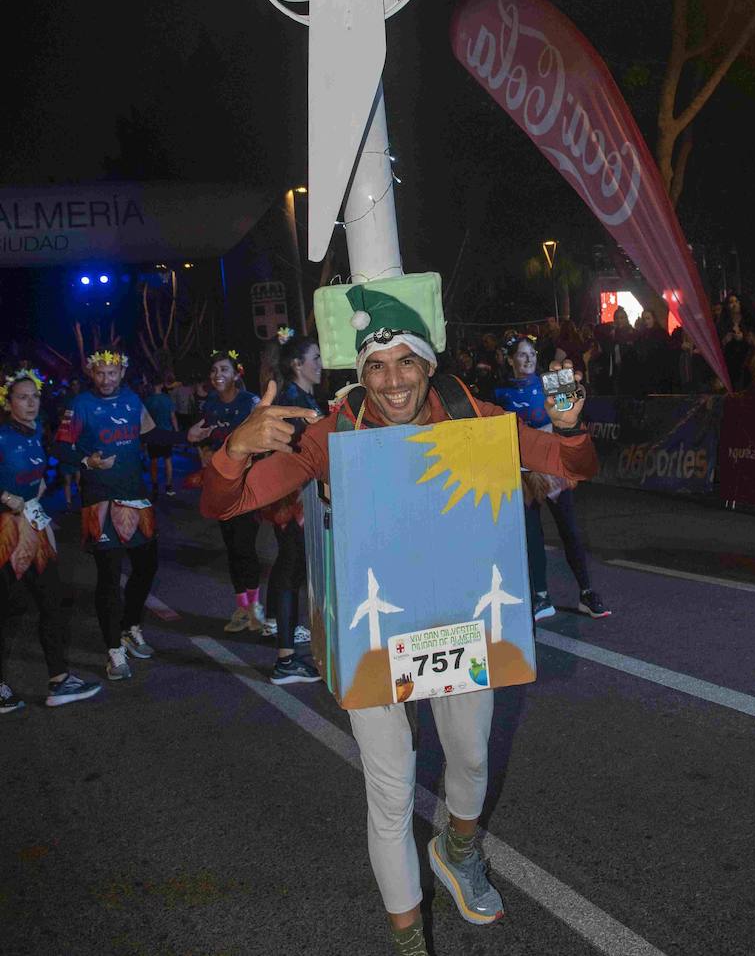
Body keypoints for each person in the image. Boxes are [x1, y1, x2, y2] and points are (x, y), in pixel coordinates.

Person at [201, 294, 597, 955]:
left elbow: (570, 465)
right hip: (373, 634)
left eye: (405, 362)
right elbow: (225, 503)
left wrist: (567, 428)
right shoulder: (333, 433)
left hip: (457, 619)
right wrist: (235, 449)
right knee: (389, 793)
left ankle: (458, 848)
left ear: (428, 365)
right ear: (360, 375)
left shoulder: (471, 414)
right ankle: (409, 941)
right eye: (376, 366)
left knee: (471, 756)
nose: (392, 381)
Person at [53, 350, 205, 681]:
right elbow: (61, 447)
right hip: (99, 501)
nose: (106, 379)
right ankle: (114, 651)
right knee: (108, 577)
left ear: (122, 372)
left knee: (147, 566)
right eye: (100, 373)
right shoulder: (80, 405)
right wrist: (88, 461)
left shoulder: (132, 400)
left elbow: (150, 435)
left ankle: (130, 627)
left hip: (135, 497)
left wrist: (186, 436)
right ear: (91, 373)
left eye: (112, 373)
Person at [0, 369, 101, 712]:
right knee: (6, 608)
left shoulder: (35, 432)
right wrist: (4, 496)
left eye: (35, 396)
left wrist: (38, 490)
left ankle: (59, 680)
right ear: (8, 403)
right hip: (4, 532)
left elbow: (37, 475)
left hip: (32, 526)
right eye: (22, 397)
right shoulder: (2, 436)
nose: (31, 403)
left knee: (53, 601)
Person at [494, 333, 607, 621]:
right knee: (533, 536)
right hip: (523, 474)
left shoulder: (552, 383)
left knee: (570, 530)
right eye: (522, 354)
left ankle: (587, 593)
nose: (529, 359)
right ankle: (541, 597)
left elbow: (571, 423)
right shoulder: (499, 393)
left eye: (532, 353)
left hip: (553, 471)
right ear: (510, 360)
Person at [259, 332, 323, 683]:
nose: (321, 365)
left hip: (301, 498)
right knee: (290, 568)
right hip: (292, 500)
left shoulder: (306, 398)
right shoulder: (291, 401)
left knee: (293, 570)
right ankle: (285, 659)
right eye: (315, 358)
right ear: (297, 364)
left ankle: (286, 642)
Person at [198, 350, 265, 631]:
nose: (218, 375)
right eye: (214, 370)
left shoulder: (250, 402)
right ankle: (241, 608)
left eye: (224, 369)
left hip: (247, 486)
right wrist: (203, 451)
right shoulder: (209, 405)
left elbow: (263, 439)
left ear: (236, 373)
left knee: (244, 546)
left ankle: (255, 608)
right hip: (220, 486)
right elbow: (203, 439)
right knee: (231, 547)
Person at [144, 378, 177, 497]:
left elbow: (145, 420)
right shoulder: (167, 399)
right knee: (168, 460)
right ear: (162, 385)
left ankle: (155, 486)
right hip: (166, 433)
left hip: (153, 434)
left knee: (154, 461)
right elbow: (173, 417)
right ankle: (168, 486)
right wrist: (176, 432)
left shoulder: (148, 400)